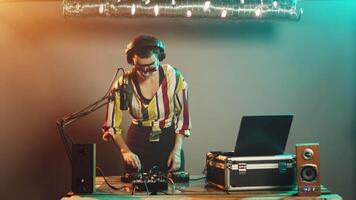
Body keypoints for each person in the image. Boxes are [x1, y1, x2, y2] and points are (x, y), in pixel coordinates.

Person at [102, 35, 191, 174]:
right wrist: (125, 152)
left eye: (151, 67)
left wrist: (177, 151)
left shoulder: (173, 76)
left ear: (159, 58)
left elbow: (182, 118)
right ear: (132, 60)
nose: (145, 72)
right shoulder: (123, 82)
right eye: (140, 67)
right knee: (135, 190)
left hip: (168, 141)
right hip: (137, 143)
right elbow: (112, 125)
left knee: (172, 191)